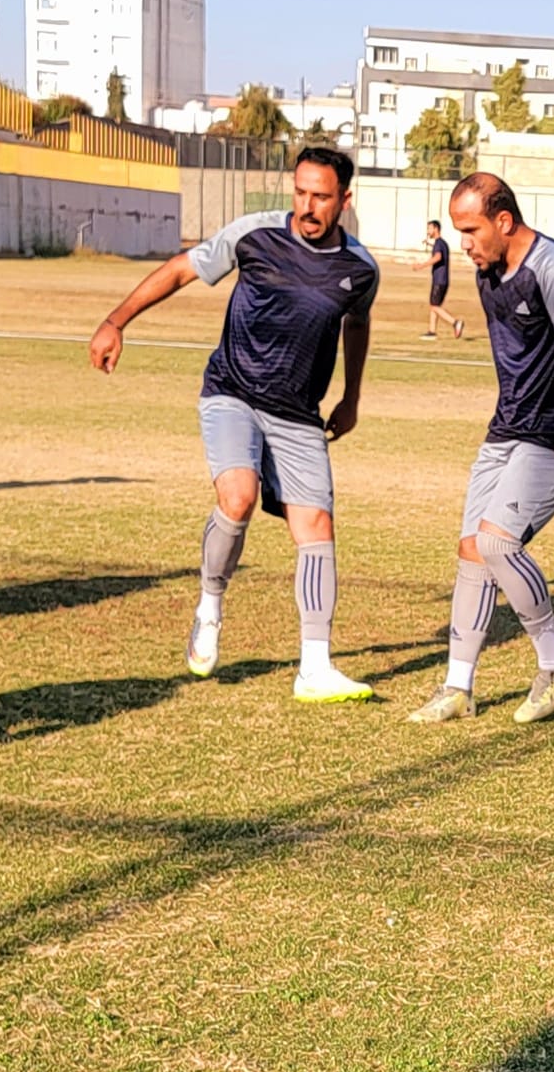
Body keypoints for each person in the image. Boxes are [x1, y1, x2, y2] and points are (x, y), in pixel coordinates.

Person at [89, 146, 379, 703]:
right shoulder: (255, 236)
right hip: (233, 393)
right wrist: (115, 321)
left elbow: (356, 327)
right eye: (300, 191)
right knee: (239, 497)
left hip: (298, 412)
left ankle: (314, 668)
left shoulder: (360, 270)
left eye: (321, 196)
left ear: (345, 199)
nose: (307, 206)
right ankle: (210, 606)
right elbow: (180, 270)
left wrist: (352, 397)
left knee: (316, 525)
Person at [408, 172, 554, 725]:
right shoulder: (487, 271)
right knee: (472, 548)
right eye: (457, 231)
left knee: (497, 544)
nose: (463, 243)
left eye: (470, 230)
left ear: (504, 220)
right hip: (508, 429)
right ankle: (457, 688)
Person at [404, 219, 465, 340]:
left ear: (436, 229)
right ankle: (432, 332)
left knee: (434, 306)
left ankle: (455, 323)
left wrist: (421, 265)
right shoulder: (441, 243)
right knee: (434, 305)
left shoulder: (438, 244)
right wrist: (429, 245)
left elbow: (438, 257)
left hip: (439, 280)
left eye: (429, 228)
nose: (428, 231)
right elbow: (439, 251)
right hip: (442, 280)